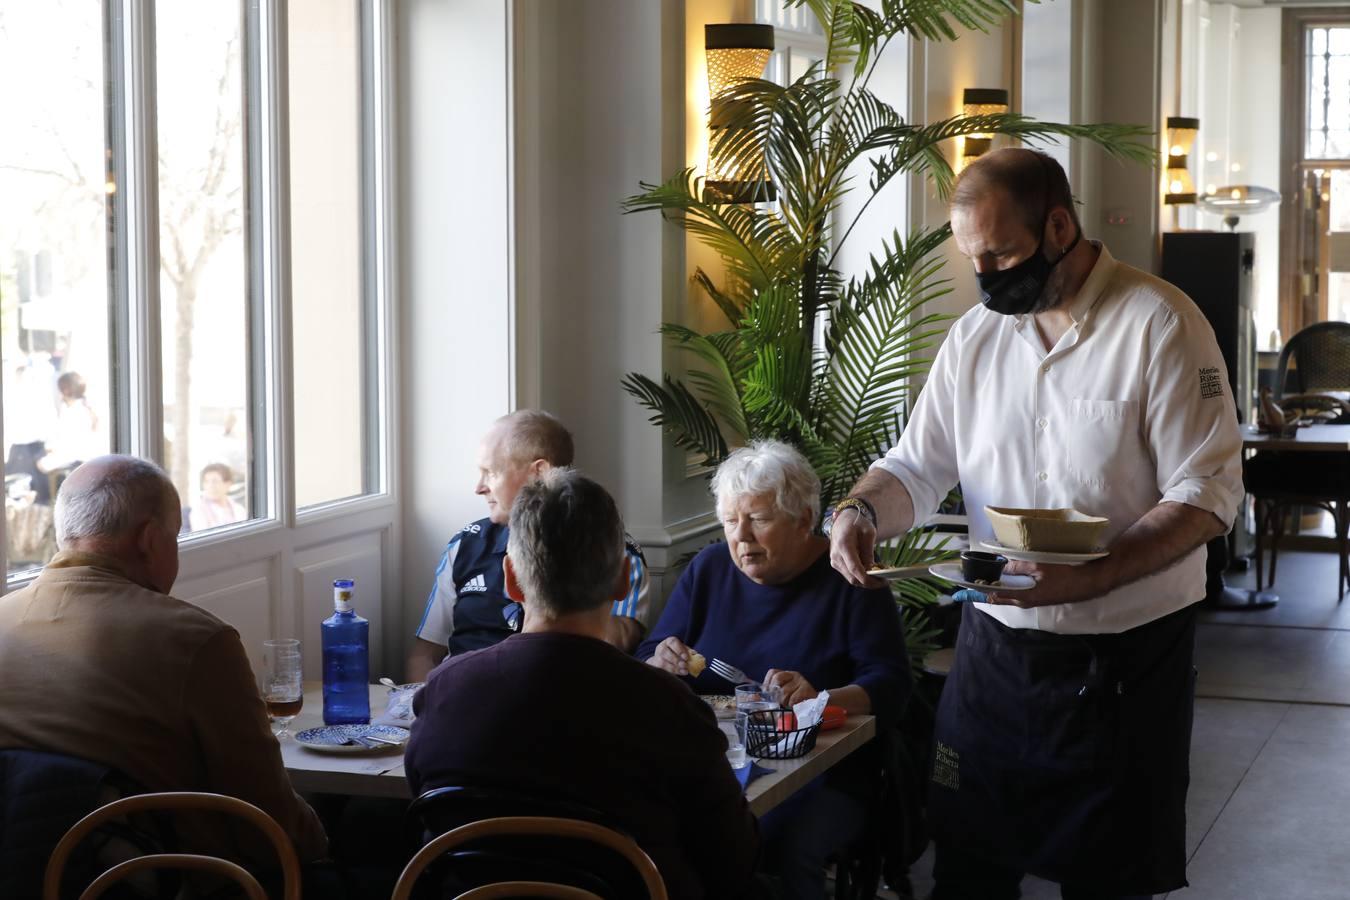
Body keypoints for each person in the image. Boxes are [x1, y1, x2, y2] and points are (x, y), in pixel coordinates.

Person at [827, 149, 1243, 899]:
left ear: (1058, 224)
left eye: (1003, 253)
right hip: (995, 658)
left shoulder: (1162, 323)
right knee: (967, 872)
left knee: (1108, 882)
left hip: (1125, 662)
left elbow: (1209, 493)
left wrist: (1094, 574)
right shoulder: (975, 340)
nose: (987, 276)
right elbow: (915, 468)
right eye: (973, 258)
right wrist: (859, 510)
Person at [405, 469, 760, 899]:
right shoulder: (666, 706)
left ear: (511, 580)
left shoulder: (442, 692)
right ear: (623, 579)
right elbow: (732, 859)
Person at [0, 455, 328, 873]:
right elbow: (263, 816)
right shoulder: (196, 640)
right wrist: (323, 844)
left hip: (27, 879)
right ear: (149, 539)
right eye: (175, 537)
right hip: (167, 881)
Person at [637, 440, 909, 900]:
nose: (740, 537)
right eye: (729, 521)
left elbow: (891, 685)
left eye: (758, 519)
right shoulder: (709, 570)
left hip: (825, 773)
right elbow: (648, 651)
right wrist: (657, 659)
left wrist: (819, 699)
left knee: (775, 843)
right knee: (664, 828)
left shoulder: (850, 579)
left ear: (804, 520)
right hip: (717, 760)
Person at [406, 409, 649, 680]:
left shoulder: (609, 547)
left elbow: (616, 644)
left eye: (491, 472)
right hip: (460, 697)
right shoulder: (465, 545)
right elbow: (425, 654)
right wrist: (424, 706)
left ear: (540, 473)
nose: (479, 487)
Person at [189, 462, 248, 532]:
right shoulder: (198, 510)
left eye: (215, 481)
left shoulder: (239, 509)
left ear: (228, 484)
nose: (210, 486)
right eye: (206, 481)